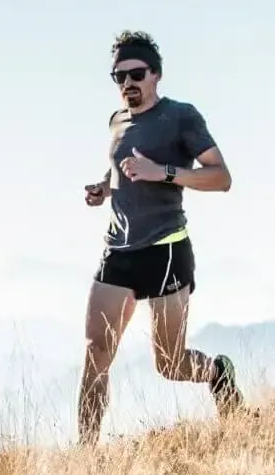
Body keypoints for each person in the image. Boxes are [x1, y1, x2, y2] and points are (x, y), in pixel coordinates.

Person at [79, 30, 241, 443]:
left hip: (166, 248)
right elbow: (121, 168)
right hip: (118, 249)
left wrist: (164, 173)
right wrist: (105, 188)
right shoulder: (117, 121)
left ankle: (217, 372)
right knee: (96, 352)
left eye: (136, 73)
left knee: (170, 364)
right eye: (119, 77)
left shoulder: (181, 117)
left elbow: (221, 177)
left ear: (156, 74)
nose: (128, 84)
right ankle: (84, 455)